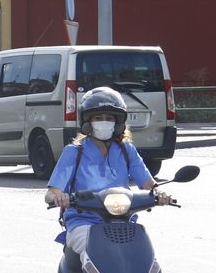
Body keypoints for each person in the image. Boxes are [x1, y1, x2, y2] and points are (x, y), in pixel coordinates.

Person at [44, 86, 172, 261]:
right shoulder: (74, 152)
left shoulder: (127, 150)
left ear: (118, 123)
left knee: (145, 257)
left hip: (123, 221)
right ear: (87, 122)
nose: (104, 122)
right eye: (98, 118)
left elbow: (148, 184)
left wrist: (159, 194)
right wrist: (58, 198)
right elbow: (52, 192)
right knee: (94, 254)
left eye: (109, 118)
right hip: (83, 223)